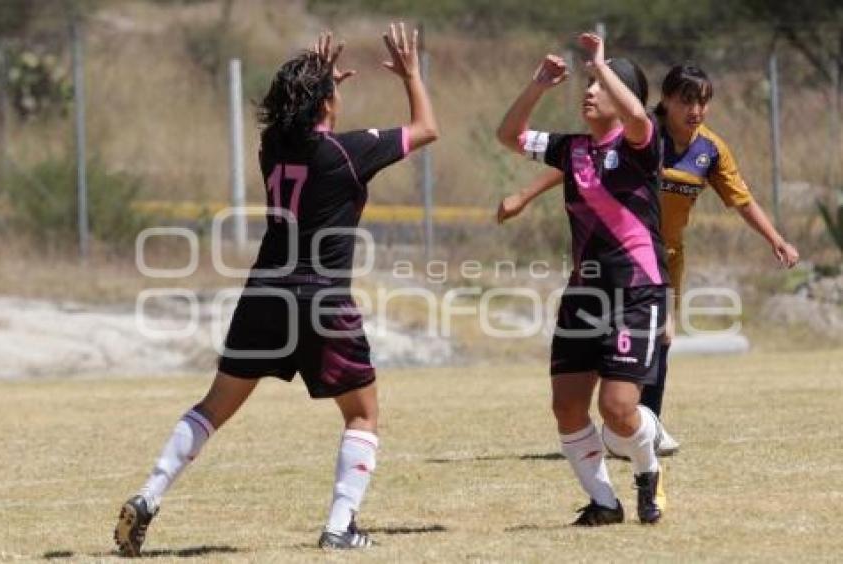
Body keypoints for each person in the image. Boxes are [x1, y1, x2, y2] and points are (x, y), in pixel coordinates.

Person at [113, 24, 438, 555]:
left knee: (213, 407)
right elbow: (427, 127)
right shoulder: (349, 153)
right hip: (321, 298)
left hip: (264, 293)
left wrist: (314, 77)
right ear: (327, 100)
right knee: (362, 414)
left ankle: (149, 495)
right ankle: (340, 526)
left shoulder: (271, 146)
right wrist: (412, 74)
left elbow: (303, 124)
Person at [498, 63, 800, 455]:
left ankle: (645, 423)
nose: (696, 110)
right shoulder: (640, 131)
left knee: (664, 335)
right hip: (620, 255)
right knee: (641, 336)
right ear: (666, 101)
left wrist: (775, 238)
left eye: (704, 102)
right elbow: (576, 162)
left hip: (664, 255)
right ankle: (634, 424)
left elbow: (740, 199)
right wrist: (524, 195)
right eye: (687, 100)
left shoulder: (710, 149)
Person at [496, 32, 668, 525]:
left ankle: (647, 467)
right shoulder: (568, 149)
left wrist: (600, 64)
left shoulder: (641, 146)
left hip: (637, 291)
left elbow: (637, 118)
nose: (590, 92)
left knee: (618, 409)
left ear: (624, 95)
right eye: (587, 85)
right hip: (583, 295)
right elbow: (509, 136)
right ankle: (604, 503)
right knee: (568, 407)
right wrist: (537, 86)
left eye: (601, 86)